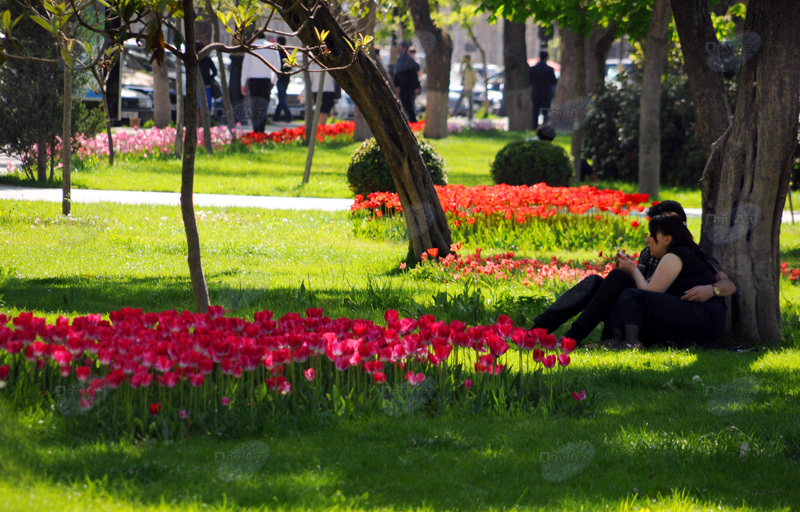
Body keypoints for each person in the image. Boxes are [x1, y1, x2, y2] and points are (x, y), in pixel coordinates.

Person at [531, 200, 736, 343]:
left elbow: (728, 284)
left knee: (621, 279)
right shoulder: (649, 253)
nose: (648, 237)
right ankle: (538, 330)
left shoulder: (692, 254)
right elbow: (638, 290)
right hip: (641, 309)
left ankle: (573, 336)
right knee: (597, 281)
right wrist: (627, 270)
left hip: (666, 314)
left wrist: (712, 290)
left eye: (655, 230)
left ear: (669, 232)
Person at [605, 212, 733, 349]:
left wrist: (712, 290)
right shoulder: (687, 252)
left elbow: (650, 293)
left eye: (652, 234)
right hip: (700, 318)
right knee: (625, 291)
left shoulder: (676, 254)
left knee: (631, 295)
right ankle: (617, 339)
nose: (648, 240)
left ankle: (631, 342)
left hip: (704, 319)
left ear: (667, 239)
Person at [240, 34, 281, 133]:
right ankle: (261, 130)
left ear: (255, 36)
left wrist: (243, 84)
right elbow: (277, 67)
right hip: (266, 81)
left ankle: (255, 130)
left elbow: (246, 67)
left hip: (253, 80)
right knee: (263, 106)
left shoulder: (251, 47)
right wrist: (273, 82)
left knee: (254, 106)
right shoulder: (272, 47)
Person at [529, 51, 558, 129]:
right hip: (546, 94)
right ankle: (544, 128)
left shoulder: (533, 69)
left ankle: (534, 128)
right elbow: (554, 81)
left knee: (535, 113)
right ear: (546, 57)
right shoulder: (550, 69)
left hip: (536, 94)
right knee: (545, 113)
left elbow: (530, 81)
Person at [394, 41, 421, 122]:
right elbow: (397, 73)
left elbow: (414, 75)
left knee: (410, 108)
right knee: (404, 107)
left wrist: (417, 86)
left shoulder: (409, 60)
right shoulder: (400, 60)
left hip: (409, 88)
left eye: (400, 47)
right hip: (402, 88)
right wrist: (397, 85)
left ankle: (413, 123)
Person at [308, 61, 337, 125]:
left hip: (317, 90)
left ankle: (320, 128)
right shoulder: (331, 65)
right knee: (324, 112)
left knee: (320, 111)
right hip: (328, 91)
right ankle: (321, 128)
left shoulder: (313, 65)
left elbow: (309, 80)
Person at [273, 36, 293, 123]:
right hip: (286, 77)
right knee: (282, 96)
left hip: (280, 77)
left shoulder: (278, 53)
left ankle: (289, 116)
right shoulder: (288, 52)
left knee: (281, 97)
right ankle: (276, 116)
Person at [452, 55, 478, 120]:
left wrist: (472, 86)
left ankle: (470, 116)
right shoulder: (465, 68)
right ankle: (453, 114)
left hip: (469, 88)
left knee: (470, 103)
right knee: (459, 101)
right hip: (465, 87)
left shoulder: (471, 68)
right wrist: (461, 64)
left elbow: (474, 78)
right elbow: (460, 74)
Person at [196, 42, 217, 111]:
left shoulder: (195, 60)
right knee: (207, 106)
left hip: (197, 85)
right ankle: (205, 120)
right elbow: (215, 72)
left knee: (198, 106)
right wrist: (209, 78)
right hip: (206, 85)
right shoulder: (208, 60)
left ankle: (199, 120)